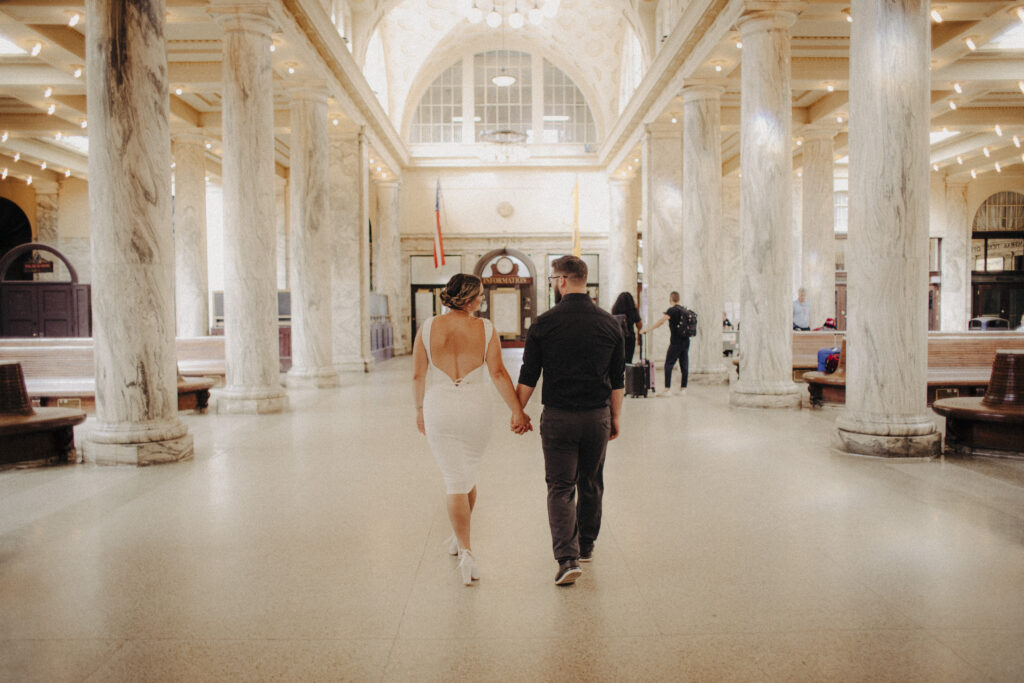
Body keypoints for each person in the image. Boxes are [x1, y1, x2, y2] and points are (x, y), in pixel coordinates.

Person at [413, 273, 532, 586]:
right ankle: (464, 549)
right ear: (468, 297)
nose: (483, 299)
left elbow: (417, 377)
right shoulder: (485, 328)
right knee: (465, 475)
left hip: (438, 406)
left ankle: (461, 544)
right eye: (480, 295)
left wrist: (419, 410)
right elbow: (497, 373)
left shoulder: (427, 328)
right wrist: (517, 411)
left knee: (457, 478)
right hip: (475, 409)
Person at [516, 255, 625, 586]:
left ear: (561, 280)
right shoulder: (610, 324)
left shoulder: (544, 323)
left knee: (561, 486)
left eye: (552, 279)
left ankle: (567, 559)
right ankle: (587, 545)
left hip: (559, 417)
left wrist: (517, 411)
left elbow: (529, 375)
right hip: (597, 416)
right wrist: (615, 417)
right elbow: (617, 377)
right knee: (591, 482)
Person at [639, 291, 691, 397]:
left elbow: (661, 322)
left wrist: (647, 330)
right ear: (678, 299)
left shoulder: (672, 310)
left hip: (676, 342)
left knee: (668, 364)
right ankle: (683, 389)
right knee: (684, 364)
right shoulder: (684, 310)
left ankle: (667, 390)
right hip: (686, 341)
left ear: (670, 299)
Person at [610, 291, 642, 363]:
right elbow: (639, 325)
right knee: (628, 360)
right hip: (629, 338)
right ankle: (628, 373)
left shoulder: (614, 310)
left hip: (617, 337)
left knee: (618, 359)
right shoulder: (633, 311)